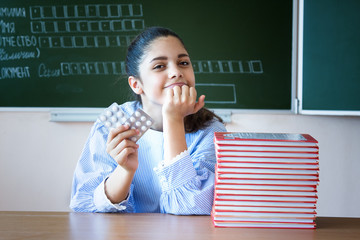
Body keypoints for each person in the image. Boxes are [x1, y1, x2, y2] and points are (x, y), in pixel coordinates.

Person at [70, 26, 226, 214]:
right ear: (136, 84)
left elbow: (193, 206)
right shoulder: (114, 125)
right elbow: (85, 205)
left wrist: (173, 119)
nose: (176, 72)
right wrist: (125, 171)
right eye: (159, 66)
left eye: (183, 62)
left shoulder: (211, 131)